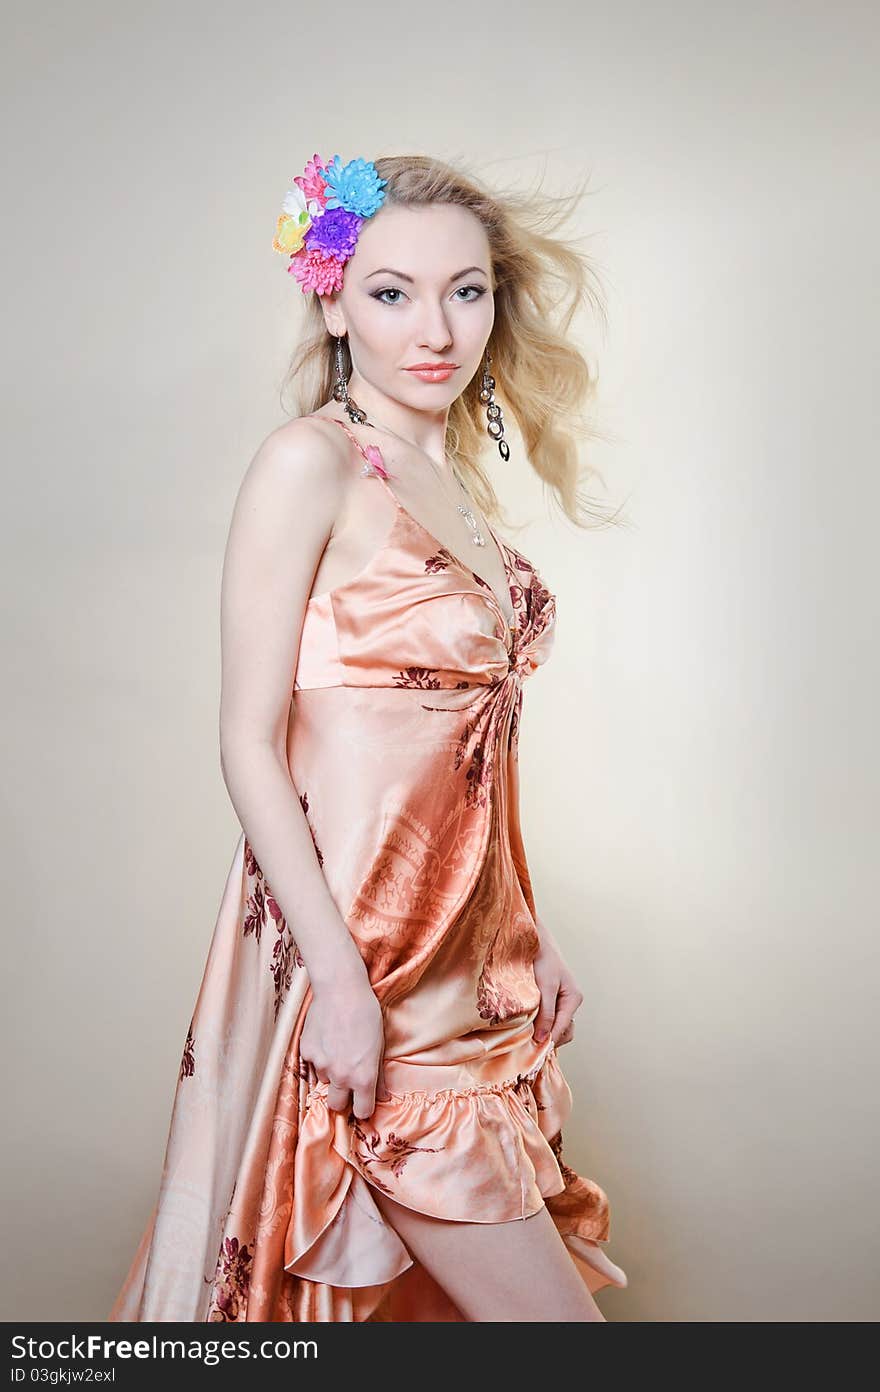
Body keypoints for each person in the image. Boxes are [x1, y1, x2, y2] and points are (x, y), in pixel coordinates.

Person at [108, 152, 628, 1323]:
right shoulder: (311, 465)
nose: (436, 328)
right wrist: (339, 983)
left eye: (468, 289)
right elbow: (248, 741)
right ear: (333, 299)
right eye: (392, 292)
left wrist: (521, 931)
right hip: (366, 969)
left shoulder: (452, 483)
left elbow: (462, 758)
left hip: (463, 964)